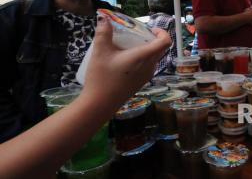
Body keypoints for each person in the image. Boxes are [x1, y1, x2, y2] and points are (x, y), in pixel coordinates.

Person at [0, 15, 171, 178]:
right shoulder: (14, 17)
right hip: (41, 146)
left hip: (105, 144)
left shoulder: (114, 17)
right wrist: (103, 96)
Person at [0, 0, 115, 143]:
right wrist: (26, 142)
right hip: (39, 139)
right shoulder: (14, 18)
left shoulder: (115, 20)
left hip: (104, 133)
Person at [146, 0, 179, 75]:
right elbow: (173, 49)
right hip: (166, 71)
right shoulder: (170, 20)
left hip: (154, 70)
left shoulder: (150, 21)